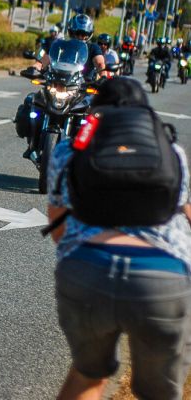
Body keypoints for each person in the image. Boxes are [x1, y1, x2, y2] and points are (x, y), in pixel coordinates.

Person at [45, 77, 191, 400]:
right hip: (162, 278)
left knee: (87, 376)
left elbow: (58, 230)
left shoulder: (69, 150)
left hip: (86, 268)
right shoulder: (172, 151)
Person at [34, 14, 105, 80]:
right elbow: (48, 57)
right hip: (58, 81)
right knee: (37, 93)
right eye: (77, 33)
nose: (80, 37)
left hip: (84, 86)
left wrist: (103, 76)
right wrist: (37, 66)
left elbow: (99, 63)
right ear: (71, 32)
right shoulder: (62, 44)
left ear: (89, 35)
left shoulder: (93, 47)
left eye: (84, 34)